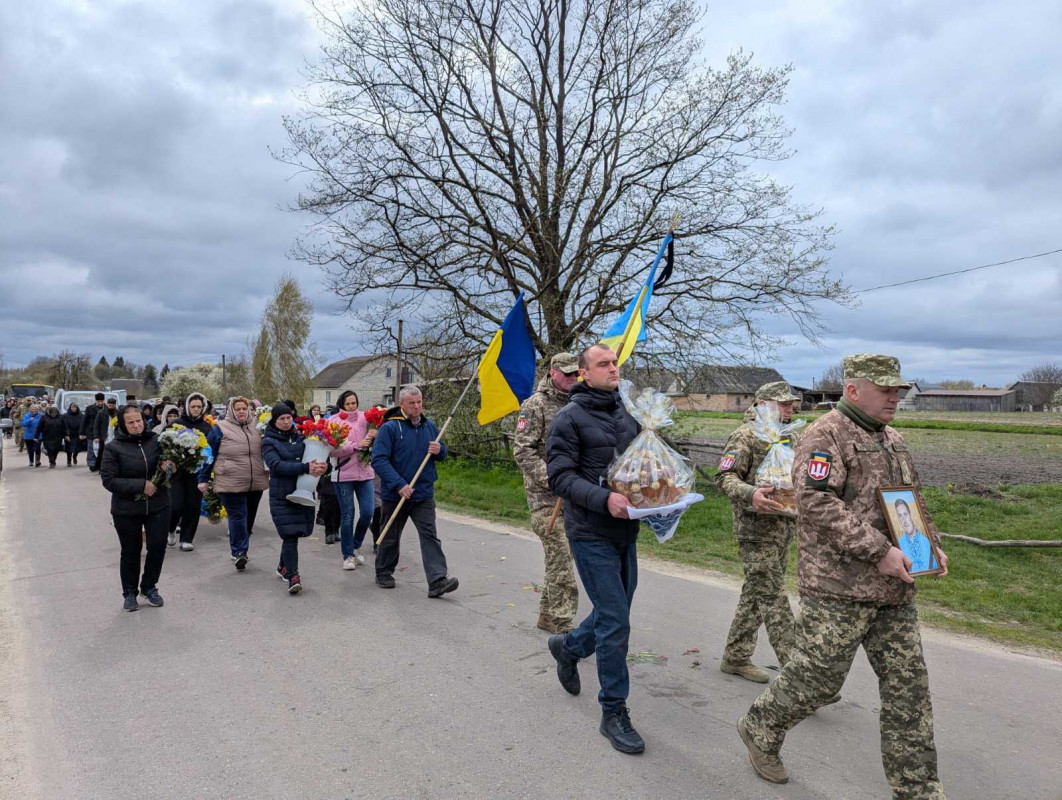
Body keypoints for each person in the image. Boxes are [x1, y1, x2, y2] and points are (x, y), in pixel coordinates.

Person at [738, 354, 948, 796]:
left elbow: (909, 500)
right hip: (839, 588)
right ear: (853, 390)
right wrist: (879, 552)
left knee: (909, 689)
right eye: (885, 389)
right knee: (817, 680)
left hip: (895, 589)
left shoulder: (893, 439)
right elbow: (815, 503)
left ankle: (918, 789)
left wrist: (928, 546)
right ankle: (760, 726)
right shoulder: (825, 434)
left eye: (898, 389)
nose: (895, 396)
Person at [544, 344, 643, 755]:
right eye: (603, 364)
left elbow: (643, 465)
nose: (613, 368)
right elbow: (560, 478)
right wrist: (604, 500)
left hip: (627, 531)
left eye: (615, 362)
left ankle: (568, 647)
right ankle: (613, 711)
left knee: (611, 613)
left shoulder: (629, 413)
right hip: (590, 532)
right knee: (616, 621)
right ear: (584, 373)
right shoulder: (569, 418)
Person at [715, 381, 804, 683]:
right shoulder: (745, 436)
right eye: (783, 403)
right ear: (763, 403)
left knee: (756, 593)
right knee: (774, 598)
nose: (790, 408)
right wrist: (751, 493)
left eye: (792, 403)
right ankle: (801, 677)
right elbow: (725, 477)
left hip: (784, 528)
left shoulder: (792, 436)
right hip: (754, 530)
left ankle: (735, 657)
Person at [513, 351, 581, 634]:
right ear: (552, 373)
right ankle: (564, 626)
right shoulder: (535, 406)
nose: (572, 378)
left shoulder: (579, 405)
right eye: (566, 373)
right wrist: (554, 479)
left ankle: (548, 616)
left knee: (558, 561)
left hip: (575, 499)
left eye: (576, 373)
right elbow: (523, 452)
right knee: (562, 560)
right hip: (544, 500)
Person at [371, 386, 458, 597]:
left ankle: (437, 580)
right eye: (412, 403)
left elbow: (442, 452)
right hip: (396, 493)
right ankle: (383, 571)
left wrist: (440, 451)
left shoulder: (430, 426)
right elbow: (379, 460)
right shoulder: (390, 428)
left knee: (430, 535)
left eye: (420, 402)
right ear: (402, 404)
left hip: (423, 493)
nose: (417, 406)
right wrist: (399, 484)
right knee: (390, 535)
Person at [100, 404, 175, 612]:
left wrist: (168, 467)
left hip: (159, 505)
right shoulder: (113, 447)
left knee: (157, 547)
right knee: (131, 551)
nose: (136, 425)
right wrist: (141, 485)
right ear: (123, 425)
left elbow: (169, 468)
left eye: (139, 420)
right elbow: (108, 480)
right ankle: (130, 592)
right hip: (127, 509)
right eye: (131, 422)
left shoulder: (156, 441)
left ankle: (149, 587)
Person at [261, 403, 328, 594]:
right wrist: (305, 468)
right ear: (274, 421)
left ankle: (283, 566)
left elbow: (315, 458)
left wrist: (323, 468)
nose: (286, 421)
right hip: (282, 493)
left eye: (288, 418)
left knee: (296, 532)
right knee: (289, 534)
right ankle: (293, 576)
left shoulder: (302, 437)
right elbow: (276, 465)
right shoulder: (268, 441)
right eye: (281, 419)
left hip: (304, 489)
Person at [198, 397, 269, 571]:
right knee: (238, 516)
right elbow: (209, 454)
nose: (241, 412)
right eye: (237, 409)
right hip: (230, 480)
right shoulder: (220, 429)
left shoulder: (258, 427)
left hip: (255, 480)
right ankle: (239, 552)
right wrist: (203, 478)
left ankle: (239, 547)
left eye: (244, 408)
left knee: (249, 518)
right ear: (231, 411)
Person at [329, 391, 377, 571]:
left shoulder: (366, 418)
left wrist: (375, 435)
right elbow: (331, 450)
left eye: (354, 403)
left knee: (367, 512)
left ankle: (356, 545)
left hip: (365, 473)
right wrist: (356, 445)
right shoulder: (334, 420)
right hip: (344, 475)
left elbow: (377, 438)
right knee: (347, 516)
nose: (351, 407)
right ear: (342, 404)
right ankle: (347, 555)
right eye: (348, 404)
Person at [167, 392, 213, 552]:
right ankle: (171, 528)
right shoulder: (175, 424)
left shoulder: (207, 427)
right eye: (193, 406)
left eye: (199, 407)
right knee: (175, 505)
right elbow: (164, 445)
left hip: (196, 473)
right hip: (177, 473)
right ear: (187, 407)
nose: (195, 409)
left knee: (193, 506)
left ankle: (186, 538)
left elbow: (211, 450)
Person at [895, 498, 934, 572]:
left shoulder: (926, 541)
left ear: (910, 514)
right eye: (900, 516)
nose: (904, 520)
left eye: (905, 514)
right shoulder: (899, 544)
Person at [93, 397, 119, 473]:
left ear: (114, 405)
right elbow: (96, 425)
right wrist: (96, 436)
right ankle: (101, 468)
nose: (110, 407)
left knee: (113, 454)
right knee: (102, 453)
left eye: (112, 405)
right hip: (104, 436)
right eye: (109, 405)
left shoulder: (118, 412)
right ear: (107, 404)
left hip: (114, 435)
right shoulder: (101, 412)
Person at [81, 393, 106, 471]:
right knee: (91, 449)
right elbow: (84, 421)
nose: (100, 403)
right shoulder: (89, 408)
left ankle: (101, 464)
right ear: (96, 401)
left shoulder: (107, 409)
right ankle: (92, 464)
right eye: (98, 401)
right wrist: (82, 433)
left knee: (102, 449)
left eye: (101, 401)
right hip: (91, 432)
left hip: (103, 433)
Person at [37, 404, 67, 468]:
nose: (54, 414)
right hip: (47, 436)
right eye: (52, 413)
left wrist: (66, 435)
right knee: (50, 449)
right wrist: (36, 436)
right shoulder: (44, 417)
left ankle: (53, 459)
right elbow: (39, 427)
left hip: (58, 436)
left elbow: (65, 427)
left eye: (55, 413)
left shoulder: (61, 417)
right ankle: (51, 462)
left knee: (56, 449)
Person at [62, 401, 85, 466]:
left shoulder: (81, 415)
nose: (74, 408)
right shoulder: (65, 415)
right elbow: (64, 426)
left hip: (77, 434)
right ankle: (69, 461)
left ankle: (75, 456)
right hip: (69, 434)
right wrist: (66, 435)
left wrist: (82, 433)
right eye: (72, 407)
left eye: (75, 407)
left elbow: (83, 425)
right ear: (70, 407)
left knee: (77, 448)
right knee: (68, 449)